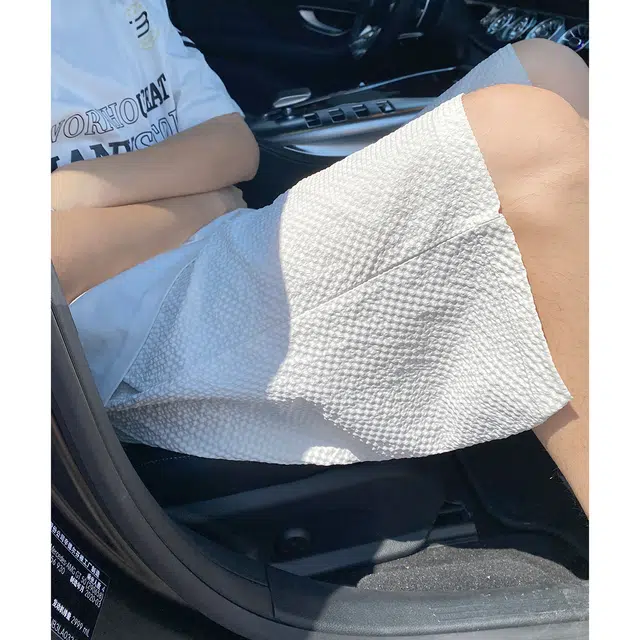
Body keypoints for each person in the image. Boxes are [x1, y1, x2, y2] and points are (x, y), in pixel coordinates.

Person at [52, 0, 589, 515]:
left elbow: (232, 148)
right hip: (132, 338)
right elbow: (58, 266)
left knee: (546, 68)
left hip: (217, 244)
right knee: (525, 136)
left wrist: (74, 194)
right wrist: (206, 200)